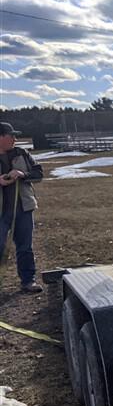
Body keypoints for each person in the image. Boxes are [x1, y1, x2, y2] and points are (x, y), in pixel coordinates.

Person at [0, 122, 44, 293]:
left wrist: (22, 174)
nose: (15, 139)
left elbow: (39, 173)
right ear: (1, 137)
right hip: (2, 212)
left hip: (23, 209)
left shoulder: (22, 153)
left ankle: (28, 280)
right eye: (11, 135)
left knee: (25, 247)